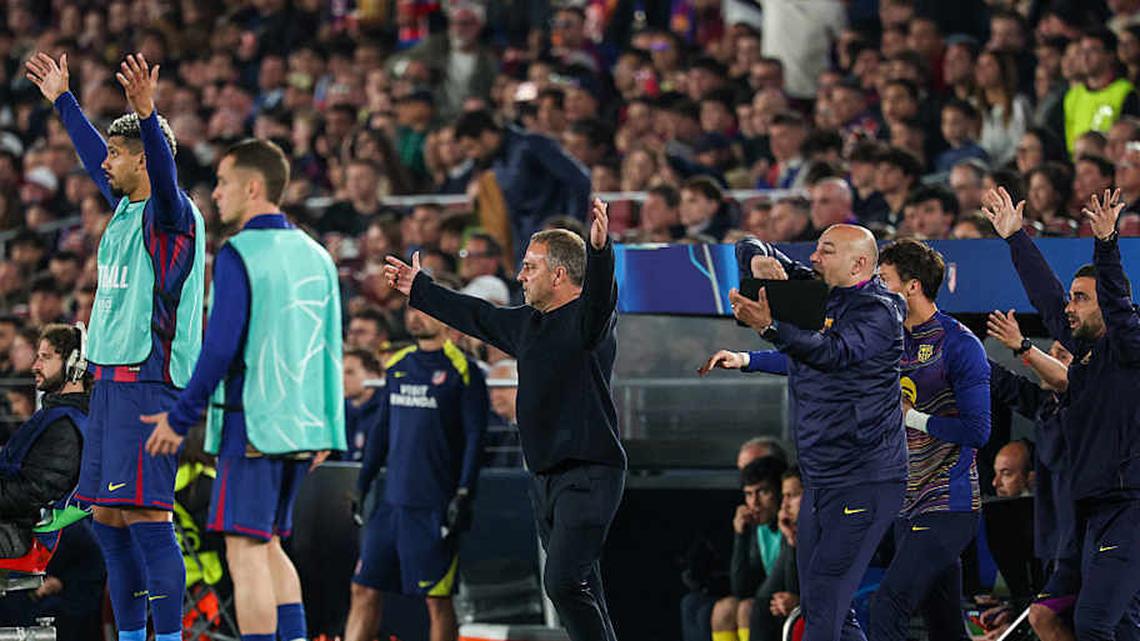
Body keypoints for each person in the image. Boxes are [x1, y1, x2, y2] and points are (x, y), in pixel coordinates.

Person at [383, 198, 625, 641]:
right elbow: (476, 315)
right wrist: (420, 288)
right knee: (584, 587)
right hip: (544, 479)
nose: (520, 276)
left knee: (564, 582)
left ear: (558, 274)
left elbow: (600, 299)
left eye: (530, 267)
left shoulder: (588, 323)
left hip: (589, 475)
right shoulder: (527, 324)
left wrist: (601, 251)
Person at [25, 52, 206, 641]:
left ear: (144, 163)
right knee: (105, 519)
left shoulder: (170, 217)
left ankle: (169, 637)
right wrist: (62, 101)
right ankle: (130, 636)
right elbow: (90, 154)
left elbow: (163, 175)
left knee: (150, 520)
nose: (103, 164)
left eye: (116, 155)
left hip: (148, 383)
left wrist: (148, 117)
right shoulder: (127, 211)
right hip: (109, 386)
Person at [140, 139, 345, 641]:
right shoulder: (318, 255)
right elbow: (329, 346)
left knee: (245, 549)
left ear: (253, 187)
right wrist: (328, 426)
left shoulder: (240, 253)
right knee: (270, 543)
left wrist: (179, 418)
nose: (215, 195)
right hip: (303, 428)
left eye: (225, 183)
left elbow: (220, 348)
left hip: (251, 424)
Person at [700, 224, 908, 641]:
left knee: (827, 598)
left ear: (860, 264)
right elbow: (748, 243)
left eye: (826, 251)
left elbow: (834, 354)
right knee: (817, 603)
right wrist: (757, 258)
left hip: (864, 479)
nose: (814, 258)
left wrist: (771, 328)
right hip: (820, 481)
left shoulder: (880, 311)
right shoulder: (817, 290)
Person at [982, 185, 1140, 639]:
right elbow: (1048, 300)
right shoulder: (1086, 358)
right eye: (1072, 297)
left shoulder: (1128, 348)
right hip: (1097, 509)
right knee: (1123, 624)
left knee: (1093, 622)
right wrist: (1015, 237)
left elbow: (1116, 301)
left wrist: (1106, 244)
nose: (1069, 307)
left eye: (1081, 298)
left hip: (1130, 507)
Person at [869, 239, 991, 641]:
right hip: (907, 504)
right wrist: (749, 357)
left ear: (912, 287)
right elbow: (823, 357)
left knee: (889, 602)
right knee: (945, 627)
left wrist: (914, 418)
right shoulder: (888, 340)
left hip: (948, 503)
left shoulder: (959, 344)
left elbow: (978, 431)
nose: (875, 288)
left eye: (883, 280)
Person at [346, 302, 488, 641]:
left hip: (433, 504)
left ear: (446, 318)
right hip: (390, 503)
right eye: (412, 309)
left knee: (436, 600)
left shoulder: (463, 371)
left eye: (425, 309)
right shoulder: (397, 366)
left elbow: (474, 439)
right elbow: (381, 431)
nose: (416, 315)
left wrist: (464, 493)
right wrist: (362, 485)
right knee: (362, 589)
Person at [0, 324, 104, 641]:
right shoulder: (59, 416)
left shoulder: (66, 427)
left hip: (20, 536)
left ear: (74, 366)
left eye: (45, 358)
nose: (35, 366)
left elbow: (34, 492)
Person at [712, 456, 788, 641]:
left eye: (762, 492)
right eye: (748, 494)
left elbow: (767, 592)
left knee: (748, 609)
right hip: (766, 604)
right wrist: (740, 536)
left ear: (779, 492)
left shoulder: (790, 524)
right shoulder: (757, 526)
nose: (754, 503)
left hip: (792, 602)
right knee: (724, 609)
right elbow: (740, 588)